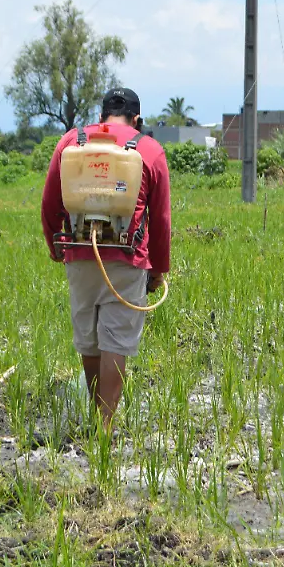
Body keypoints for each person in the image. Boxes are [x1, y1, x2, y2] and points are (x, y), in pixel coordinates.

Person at [40, 87, 172, 431]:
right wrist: (158, 270)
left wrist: (58, 248)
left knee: (91, 339)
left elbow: (50, 202)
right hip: (127, 258)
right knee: (117, 340)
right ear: (137, 120)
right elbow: (161, 220)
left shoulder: (72, 140)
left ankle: (96, 416)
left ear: (101, 117)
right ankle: (106, 427)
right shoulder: (149, 149)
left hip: (79, 254)